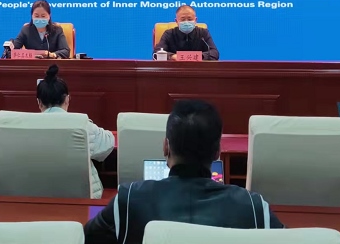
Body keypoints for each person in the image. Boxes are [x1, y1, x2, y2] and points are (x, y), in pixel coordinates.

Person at [84, 100, 282, 244]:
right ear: (217, 152)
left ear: (165, 147)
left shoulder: (129, 200)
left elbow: (82, 239)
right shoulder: (253, 207)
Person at [37, 64, 114, 198]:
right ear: (67, 99)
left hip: (36, 198)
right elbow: (107, 145)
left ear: (39, 102)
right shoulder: (82, 124)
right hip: (83, 201)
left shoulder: (23, 127)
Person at [153, 5, 219, 60]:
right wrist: (172, 56)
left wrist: (198, 57)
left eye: (190, 19)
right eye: (183, 19)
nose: (186, 22)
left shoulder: (203, 33)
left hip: (198, 69)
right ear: (176, 21)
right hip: (174, 69)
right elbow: (156, 53)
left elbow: (214, 53)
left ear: (195, 20)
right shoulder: (169, 34)